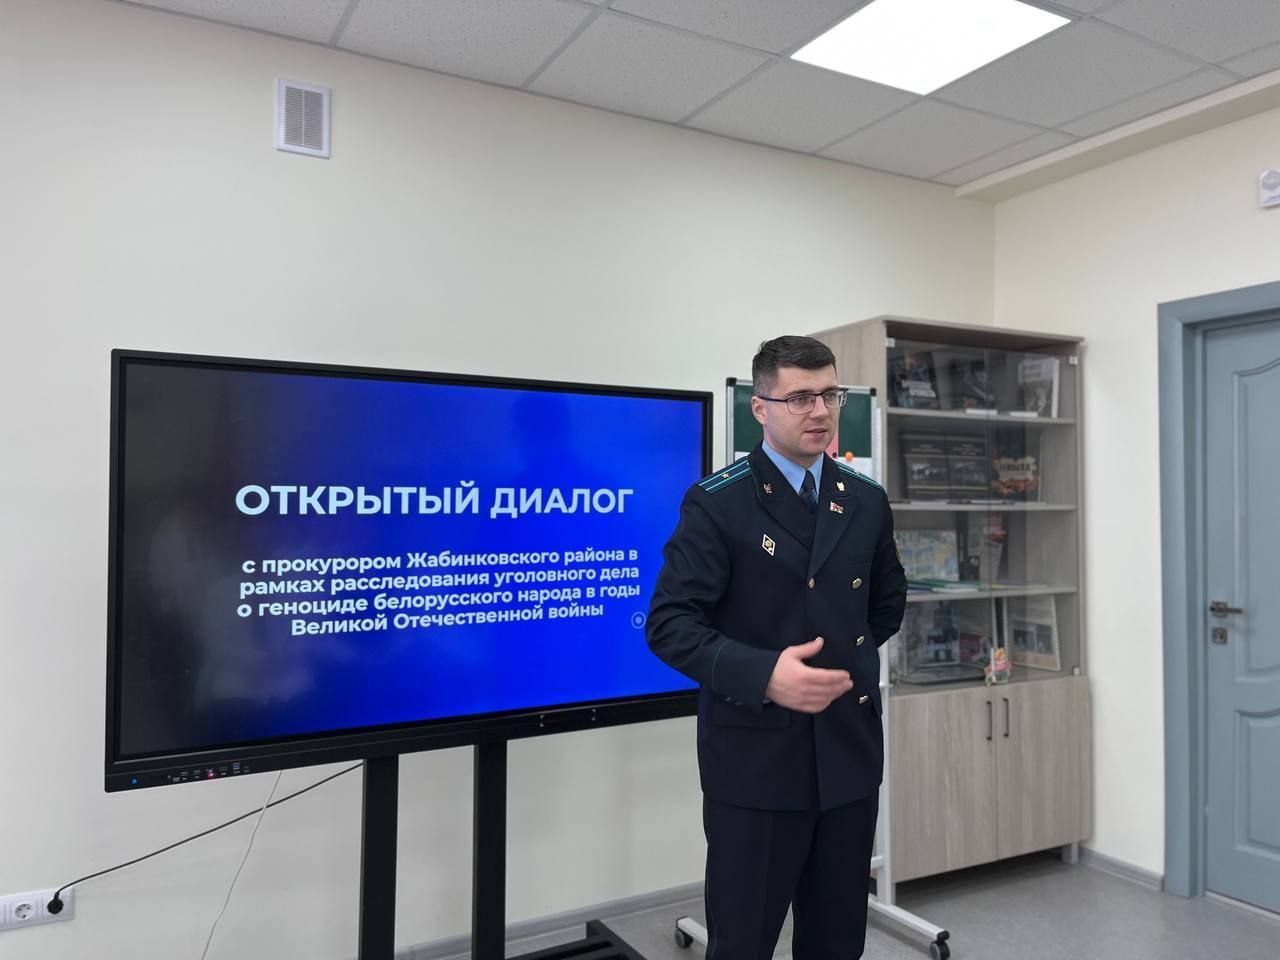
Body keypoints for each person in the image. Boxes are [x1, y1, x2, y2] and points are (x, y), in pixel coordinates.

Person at [647, 335, 907, 960]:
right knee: (743, 943)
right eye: (799, 398)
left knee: (837, 943)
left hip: (847, 756)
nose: (819, 411)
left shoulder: (864, 499)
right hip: (755, 764)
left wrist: (836, 665)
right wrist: (765, 675)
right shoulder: (718, 502)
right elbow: (670, 623)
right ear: (759, 408)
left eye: (829, 395)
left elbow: (885, 606)